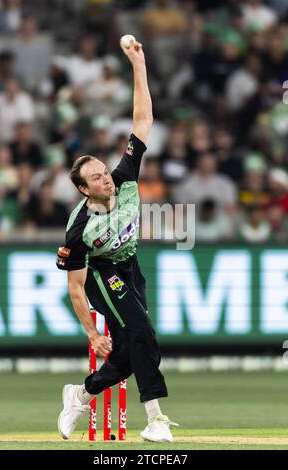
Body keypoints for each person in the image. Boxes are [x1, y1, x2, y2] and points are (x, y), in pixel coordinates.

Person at [56, 39, 178, 442]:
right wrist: (92, 333)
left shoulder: (124, 178)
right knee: (143, 331)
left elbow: (142, 121)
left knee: (127, 354)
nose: (106, 178)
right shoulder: (79, 229)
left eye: (104, 171)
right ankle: (156, 419)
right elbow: (75, 288)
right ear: (82, 190)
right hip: (102, 274)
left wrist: (138, 65)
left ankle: (81, 394)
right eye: (95, 177)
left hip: (130, 264)